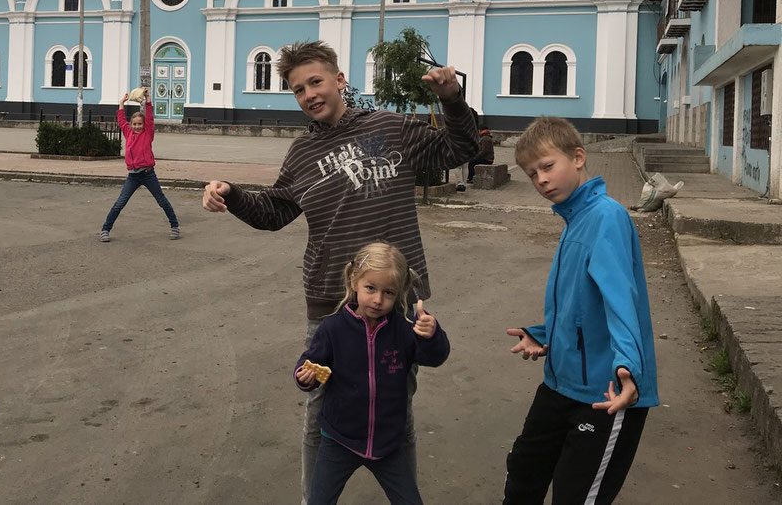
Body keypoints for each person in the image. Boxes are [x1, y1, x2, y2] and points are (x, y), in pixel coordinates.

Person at [202, 40, 479, 502]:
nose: (309, 94)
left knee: (396, 408)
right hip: (331, 303)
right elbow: (273, 211)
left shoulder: (389, 129)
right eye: (297, 89)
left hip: (395, 302)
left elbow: (460, 148)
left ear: (339, 80)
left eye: (315, 81)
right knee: (319, 412)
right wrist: (230, 193)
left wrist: (452, 99)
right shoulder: (301, 156)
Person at [503, 116, 659, 504]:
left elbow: (621, 301)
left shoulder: (606, 217)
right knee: (524, 472)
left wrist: (628, 368)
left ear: (578, 157)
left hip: (606, 392)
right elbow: (580, 302)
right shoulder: (575, 218)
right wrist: (542, 333)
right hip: (559, 384)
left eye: (547, 166)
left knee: (576, 495)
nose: (540, 179)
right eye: (531, 173)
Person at [295, 242, 449, 504]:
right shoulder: (333, 328)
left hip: (388, 442)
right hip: (338, 440)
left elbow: (435, 358)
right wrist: (303, 377)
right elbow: (310, 363)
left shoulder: (404, 329)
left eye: (388, 292)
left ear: (400, 292)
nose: (378, 300)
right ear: (354, 281)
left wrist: (430, 335)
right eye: (370, 288)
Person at [98, 88, 180, 242]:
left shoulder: (148, 133)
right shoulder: (128, 133)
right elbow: (121, 119)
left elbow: (149, 117)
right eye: (134, 124)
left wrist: (148, 99)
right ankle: (105, 229)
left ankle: (174, 226)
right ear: (131, 125)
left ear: (143, 124)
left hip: (148, 174)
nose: (137, 126)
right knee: (120, 203)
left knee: (161, 200)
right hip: (133, 176)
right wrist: (122, 103)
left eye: (139, 124)